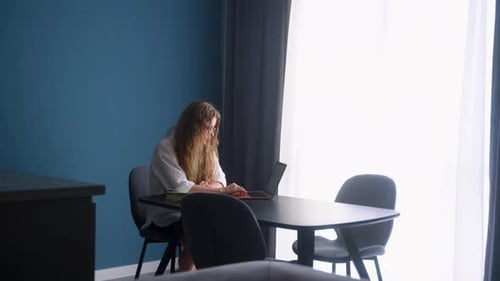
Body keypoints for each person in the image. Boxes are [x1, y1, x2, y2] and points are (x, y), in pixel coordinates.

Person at [147, 100, 247, 271]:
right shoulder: (166, 148)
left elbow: (220, 179)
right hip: (169, 209)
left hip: (198, 207)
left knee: (224, 226)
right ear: (193, 127)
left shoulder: (208, 148)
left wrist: (207, 189)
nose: (212, 133)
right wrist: (218, 190)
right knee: (201, 229)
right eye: (209, 128)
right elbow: (181, 189)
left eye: (214, 128)